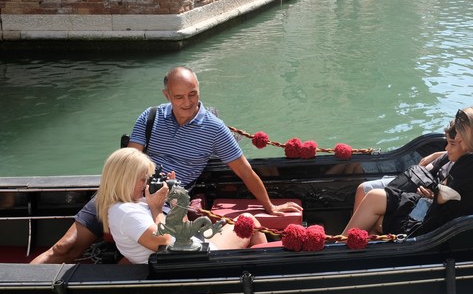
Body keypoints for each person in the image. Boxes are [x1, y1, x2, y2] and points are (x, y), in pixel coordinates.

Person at [31, 66, 301, 264]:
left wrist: (270, 206)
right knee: (65, 248)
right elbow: (128, 162)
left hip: (166, 200)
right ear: (167, 94)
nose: (188, 103)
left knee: (149, 256)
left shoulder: (215, 129)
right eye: (179, 97)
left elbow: (244, 171)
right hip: (123, 191)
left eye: (192, 95)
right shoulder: (150, 117)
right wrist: (114, 199)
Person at [341, 106, 473, 237]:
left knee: (374, 212)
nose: (457, 140)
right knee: (373, 197)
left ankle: (343, 248)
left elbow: (443, 197)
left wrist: (433, 192)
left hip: (436, 226)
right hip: (431, 210)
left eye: (460, 137)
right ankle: (349, 245)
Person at [95, 148, 267, 264]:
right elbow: (165, 242)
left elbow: (183, 231)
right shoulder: (125, 212)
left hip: (191, 253)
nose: (147, 184)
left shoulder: (135, 204)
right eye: (143, 179)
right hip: (196, 262)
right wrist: (156, 208)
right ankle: (263, 272)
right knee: (249, 221)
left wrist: (176, 203)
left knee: (246, 221)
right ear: (125, 180)